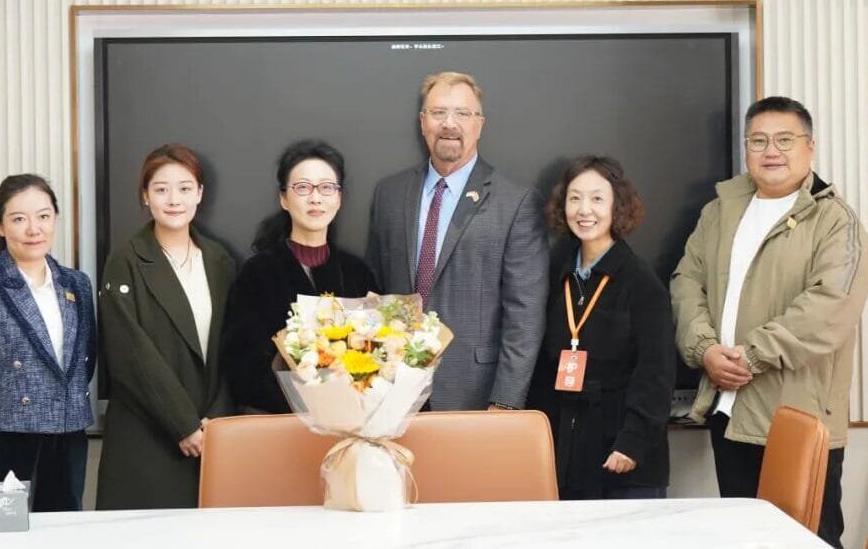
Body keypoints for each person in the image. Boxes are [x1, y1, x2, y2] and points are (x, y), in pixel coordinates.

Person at [671, 96, 868, 548]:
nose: (771, 151)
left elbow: (830, 308)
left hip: (797, 419)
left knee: (809, 540)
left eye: (785, 139)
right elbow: (687, 281)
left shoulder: (835, 221)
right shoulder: (720, 210)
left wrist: (751, 355)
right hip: (730, 411)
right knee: (744, 540)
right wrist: (704, 348)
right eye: (758, 140)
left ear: (810, 147)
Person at [366, 71, 549, 411]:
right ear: (423, 122)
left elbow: (525, 315)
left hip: (475, 393)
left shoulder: (516, 202)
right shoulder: (389, 194)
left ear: (480, 123)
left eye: (462, 114)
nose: (449, 123)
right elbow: (375, 287)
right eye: (438, 113)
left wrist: (506, 401)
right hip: (393, 391)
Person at [0, 174, 96, 518]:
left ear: (55, 219)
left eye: (43, 216)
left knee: (63, 540)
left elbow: (84, 363)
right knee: (4, 541)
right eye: (19, 219)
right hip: (8, 446)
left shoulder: (77, 284)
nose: (34, 229)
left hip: (68, 438)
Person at [96, 144, 235, 509]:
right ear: (145, 196)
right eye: (161, 189)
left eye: (185, 188)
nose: (174, 199)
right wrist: (183, 424)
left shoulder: (219, 261)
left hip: (210, 434)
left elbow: (231, 346)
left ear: (200, 194)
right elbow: (130, 353)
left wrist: (213, 423)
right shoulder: (125, 260)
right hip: (149, 434)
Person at [528, 156, 674, 500]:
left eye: (597, 199)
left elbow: (657, 373)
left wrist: (632, 442)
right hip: (567, 456)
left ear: (617, 206)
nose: (584, 210)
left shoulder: (641, 282)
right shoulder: (557, 275)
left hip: (623, 457)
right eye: (575, 198)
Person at [222, 139, 377, 413]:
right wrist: (308, 404)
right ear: (284, 198)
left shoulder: (358, 273)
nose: (315, 198)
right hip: (279, 426)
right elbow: (242, 367)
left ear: (339, 198)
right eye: (302, 187)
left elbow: (376, 356)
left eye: (327, 187)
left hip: (351, 424)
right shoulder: (258, 274)